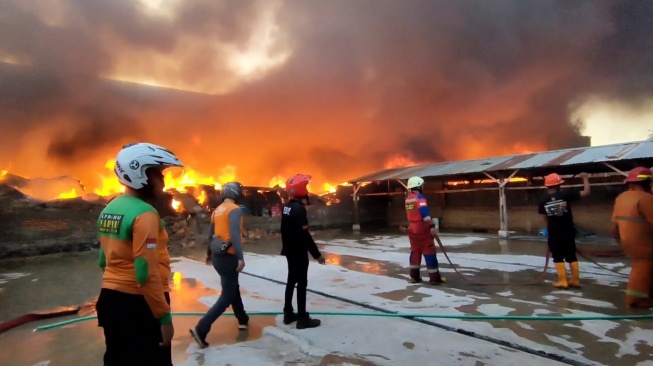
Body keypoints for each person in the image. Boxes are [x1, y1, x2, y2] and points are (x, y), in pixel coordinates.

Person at [96, 142, 183, 366]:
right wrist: (164, 318)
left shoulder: (109, 208)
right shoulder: (145, 215)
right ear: (140, 173)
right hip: (140, 307)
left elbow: (103, 260)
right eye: (157, 174)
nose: (163, 181)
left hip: (110, 301)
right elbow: (145, 273)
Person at [190, 182, 249, 348]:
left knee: (232, 287)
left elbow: (210, 235)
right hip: (228, 256)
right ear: (236, 194)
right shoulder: (234, 210)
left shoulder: (217, 210)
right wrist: (240, 257)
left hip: (217, 256)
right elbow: (235, 235)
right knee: (227, 295)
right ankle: (201, 328)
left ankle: (242, 319)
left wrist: (209, 254)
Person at [280, 174, 326, 329]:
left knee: (291, 281)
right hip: (298, 252)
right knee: (301, 283)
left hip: (289, 251)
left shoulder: (287, 206)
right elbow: (305, 235)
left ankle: (288, 313)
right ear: (300, 190)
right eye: (305, 187)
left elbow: (284, 230)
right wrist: (317, 255)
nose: (307, 190)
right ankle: (302, 318)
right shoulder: (299, 209)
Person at [538, 172, 590, 289]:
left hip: (554, 232)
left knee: (557, 256)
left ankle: (563, 281)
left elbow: (545, 217)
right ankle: (575, 280)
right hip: (568, 231)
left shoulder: (543, 201)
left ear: (547, 186)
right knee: (571, 255)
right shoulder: (566, 195)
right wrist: (585, 178)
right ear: (558, 185)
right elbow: (586, 192)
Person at [610, 167, 653, 308]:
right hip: (645, 244)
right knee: (643, 268)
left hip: (627, 242)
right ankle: (635, 300)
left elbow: (613, 226)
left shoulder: (621, 198)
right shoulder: (647, 199)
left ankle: (646, 294)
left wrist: (619, 240)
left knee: (641, 268)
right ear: (647, 182)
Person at [404, 176, 445, 285]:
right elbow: (424, 212)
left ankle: (414, 277)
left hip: (412, 228)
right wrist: (431, 225)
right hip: (422, 228)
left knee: (415, 252)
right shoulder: (420, 197)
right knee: (429, 252)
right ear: (419, 186)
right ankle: (434, 278)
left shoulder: (408, 199)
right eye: (422, 185)